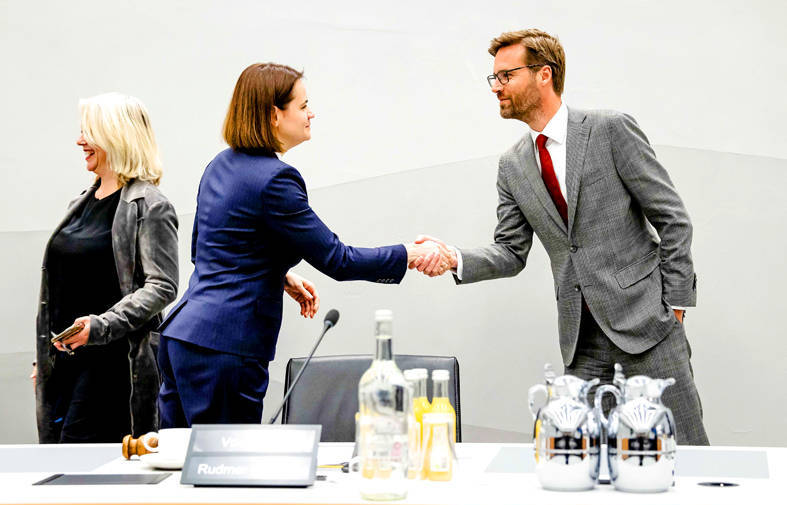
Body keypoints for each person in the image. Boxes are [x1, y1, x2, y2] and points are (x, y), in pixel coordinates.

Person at [413, 29, 708, 445]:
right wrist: (454, 257)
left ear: (543, 75)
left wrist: (674, 306)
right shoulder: (512, 165)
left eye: (506, 76)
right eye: (493, 78)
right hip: (581, 341)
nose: (496, 87)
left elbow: (673, 218)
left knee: (687, 455)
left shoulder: (611, 130)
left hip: (648, 328)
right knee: (580, 467)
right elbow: (511, 251)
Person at [157, 63, 438, 428]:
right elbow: (338, 260)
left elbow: (208, 250)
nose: (312, 113)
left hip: (182, 336)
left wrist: (279, 275)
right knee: (222, 471)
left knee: (177, 470)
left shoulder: (219, 165)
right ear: (275, 114)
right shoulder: (276, 179)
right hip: (228, 348)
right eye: (303, 106)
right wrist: (409, 254)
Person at [34, 93, 179, 443]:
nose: (80, 140)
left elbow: (162, 286)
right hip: (66, 367)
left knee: (83, 472)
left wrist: (100, 326)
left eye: (89, 131)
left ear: (115, 135)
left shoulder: (151, 205)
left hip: (116, 368)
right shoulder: (79, 204)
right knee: (59, 468)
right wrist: (46, 357)